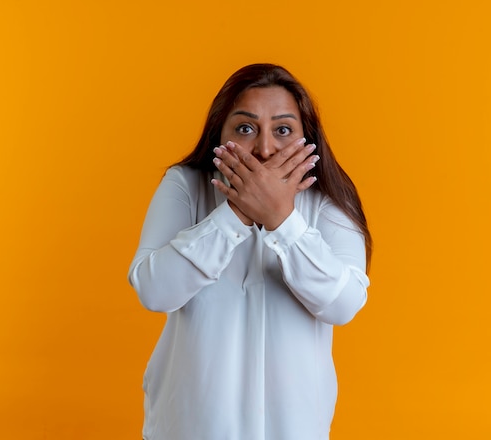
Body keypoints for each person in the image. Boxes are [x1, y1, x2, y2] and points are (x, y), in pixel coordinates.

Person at [128, 63, 372, 440]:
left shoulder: (328, 201)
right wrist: (236, 213)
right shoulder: (185, 185)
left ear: (307, 138)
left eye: (283, 130)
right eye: (245, 128)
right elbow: (154, 290)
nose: (264, 147)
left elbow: (343, 303)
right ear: (218, 134)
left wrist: (281, 218)